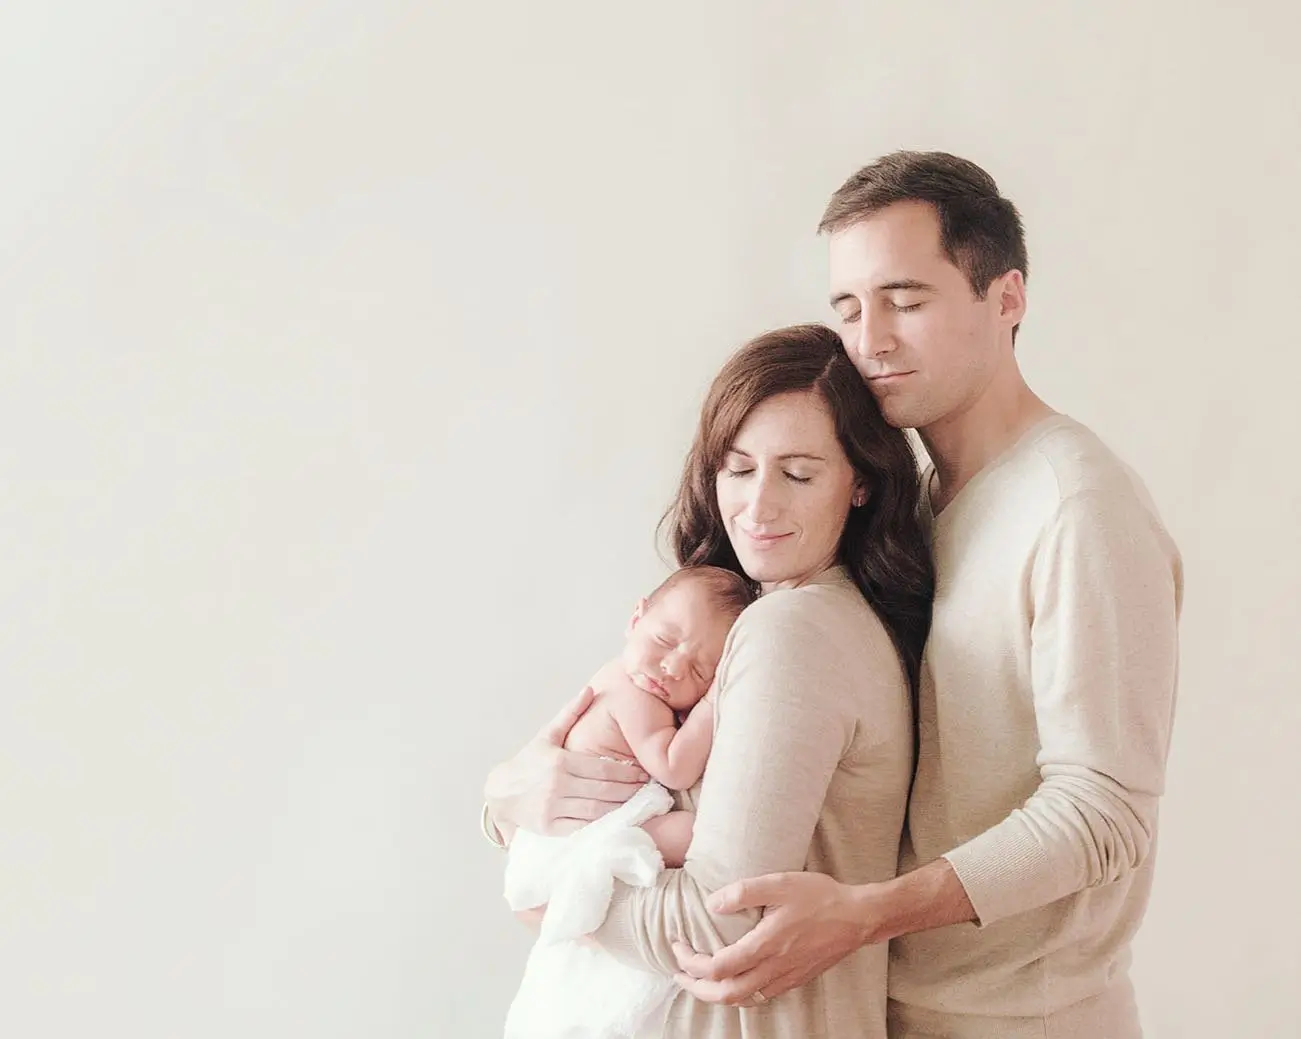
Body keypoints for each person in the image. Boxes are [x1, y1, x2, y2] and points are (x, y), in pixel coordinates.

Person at [669, 152, 1184, 1039]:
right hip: (889, 1005)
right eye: (848, 306)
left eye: (905, 300)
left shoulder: (1076, 507)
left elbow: (1105, 809)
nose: (868, 338)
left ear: (1007, 298)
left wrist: (866, 912)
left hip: (1024, 1020)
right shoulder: (900, 504)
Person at [484, 324, 934, 1037]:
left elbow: (716, 920)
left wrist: (548, 894)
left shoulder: (792, 631)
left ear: (859, 484)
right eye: (736, 466)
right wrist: (505, 799)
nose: (756, 506)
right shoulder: (769, 620)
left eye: (797, 472)